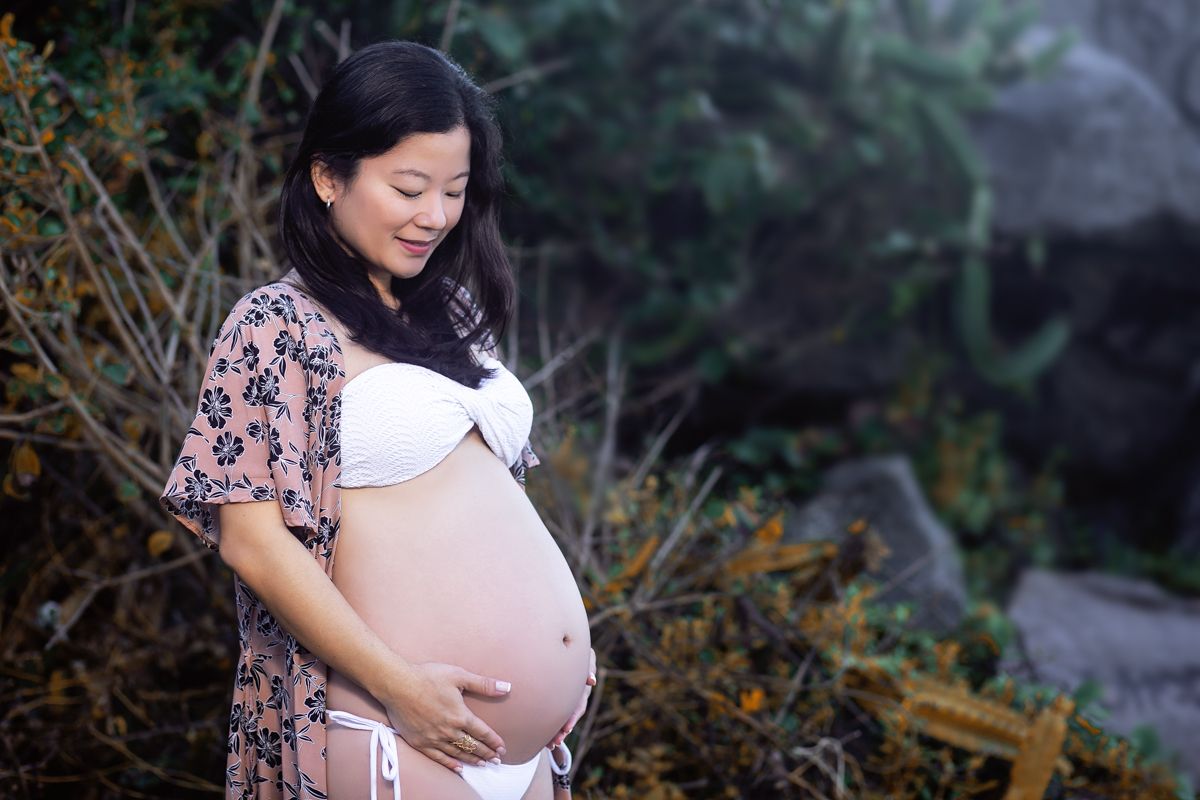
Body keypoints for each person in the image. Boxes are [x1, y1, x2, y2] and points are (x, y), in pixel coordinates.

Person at [161, 41, 594, 800]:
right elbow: (252, 543)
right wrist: (398, 687)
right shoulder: (276, 325)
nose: (436, 216)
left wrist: (563, 657)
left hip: (524, 753)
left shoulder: (451, 310)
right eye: (409, 187)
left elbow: (486, 496)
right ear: (329, 175)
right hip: (397, 732)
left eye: (455, 190)